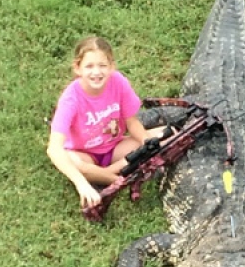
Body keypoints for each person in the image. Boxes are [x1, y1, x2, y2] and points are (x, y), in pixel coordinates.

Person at [47, 36, 164, 210]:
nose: (97, 72)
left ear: (111, 66)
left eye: (102, 65)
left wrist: (147, 142)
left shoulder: (118, 82)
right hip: (85, 155)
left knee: (169, 134)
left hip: (115, 148)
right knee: (73, 163)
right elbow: (53, 148)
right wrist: (82, 185)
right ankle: (120, 180)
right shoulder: (70, 99)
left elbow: (131, 123)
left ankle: (107, 174)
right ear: (77, 68)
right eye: (89, 66)